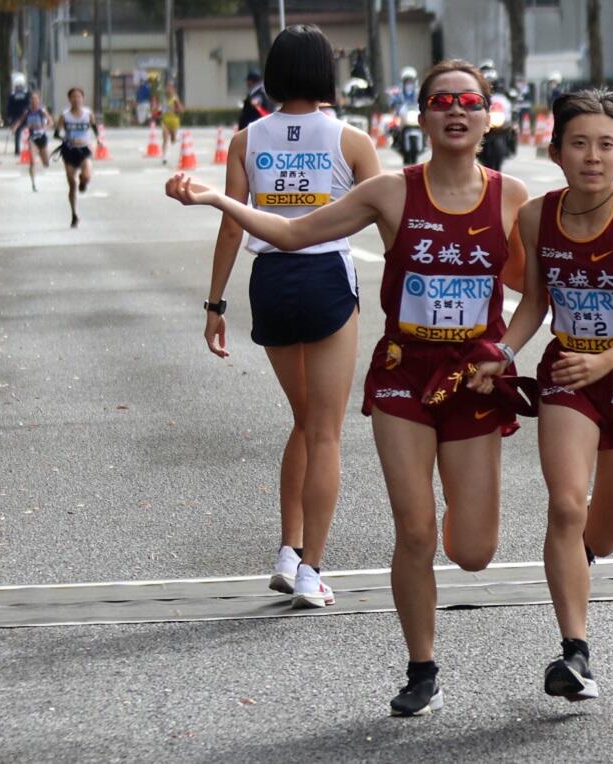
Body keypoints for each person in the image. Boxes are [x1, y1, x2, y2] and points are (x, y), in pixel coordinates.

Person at [167, 58, 529, 716]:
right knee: (413, 531)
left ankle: (462, 509)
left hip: (474, 382)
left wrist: (506, 350)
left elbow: (537, 288)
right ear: (419, 118)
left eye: (469, 101)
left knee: (473, 550)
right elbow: (295, 232)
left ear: (487, 118)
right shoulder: (391, 192)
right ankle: (422, 670)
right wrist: (220, 200)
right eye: (441, 101)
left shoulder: (511, 198)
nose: (456, 110)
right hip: (404, 377)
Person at [471, 88, 613, 702]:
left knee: (605, 532)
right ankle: (576, 655)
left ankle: (581, 560)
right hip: (568, 379)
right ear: (555, 151)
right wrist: (503, 355)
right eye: (580, 144)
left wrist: (607, 361)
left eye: (606, 146)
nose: (593, 156)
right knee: (565, 506)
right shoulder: (536, 217)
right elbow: (534, 301)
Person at [168, 25, 380, 611]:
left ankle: (288, 552)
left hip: (272, 281)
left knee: (305, 419)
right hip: (327, 279)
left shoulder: (247, 139)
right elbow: (388, 215)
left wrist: (214, 305)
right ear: (326, 74)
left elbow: (233, 223)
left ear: (273, 72)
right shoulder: (352, 141)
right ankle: (312, 566)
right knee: (326, 430)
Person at [53, 87, 98, 228]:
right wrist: (67, 139)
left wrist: (98, 139)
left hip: (84, 149)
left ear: (82, 99)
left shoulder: (88, 114)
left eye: (79, 97)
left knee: (86, 175)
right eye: (73, 97)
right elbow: (56, 133)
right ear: (69, 99)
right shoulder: (65, 115)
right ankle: (74, 214)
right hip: (69, 150)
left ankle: (83, 182)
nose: (76, 99)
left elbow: (95, 129)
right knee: (71, 184)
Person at [12, 91, 54, 192]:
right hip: (32, 138)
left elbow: (51, 122)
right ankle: (33, 184)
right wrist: (15, 127)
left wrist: (44, 127)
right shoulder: (28, 111)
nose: (34, 101)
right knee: (32, 161)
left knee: (46, 163)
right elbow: (20, 120)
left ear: (39, 101)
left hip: (42, 137)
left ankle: (42, 155)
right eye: (32, 99)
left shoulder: (42, 111)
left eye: (36, 99)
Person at [160, 82, 185, 165]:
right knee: (165, 138)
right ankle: (164, 157)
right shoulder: (163, 99)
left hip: (174, 122)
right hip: (165, 121)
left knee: (173, 140)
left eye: (170, 88)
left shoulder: (175, 99)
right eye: (167, 88)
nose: (168, 90)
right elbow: (160, 109)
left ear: (173, 89)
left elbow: (181, 110)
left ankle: (176, 139)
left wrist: (175, 109)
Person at [6, 81, 30, 156]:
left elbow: (9, 108)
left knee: (17, 133)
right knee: (30, 132)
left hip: (16, 117)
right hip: (26, 116)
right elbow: (29, 105)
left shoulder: (12, 96)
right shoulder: (27, 95)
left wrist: (9, 117)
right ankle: (31, 148)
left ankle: (17, 150)